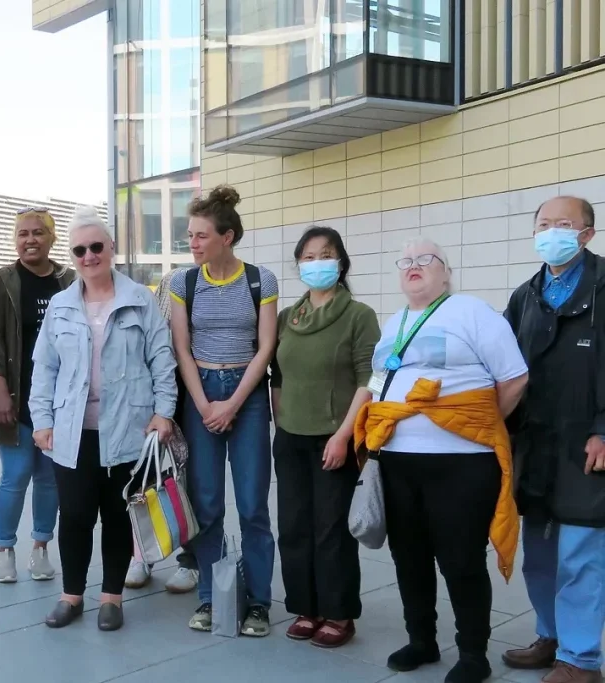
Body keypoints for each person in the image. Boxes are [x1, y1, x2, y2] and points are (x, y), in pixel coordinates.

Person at [354, 238, 527, 683]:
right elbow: (378, 381)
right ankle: (422, 640)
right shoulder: (393, 322)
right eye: (406, 260)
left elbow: (513, 379)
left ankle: (473, 653)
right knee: (408, 556)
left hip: (462, 462)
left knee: (461, 560)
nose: (414, 266)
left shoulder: (473, 312)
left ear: (446, 272)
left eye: (425, 260)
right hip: (396, 459)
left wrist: (470, 422)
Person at [29, 205, 177, 632]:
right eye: (80, 249)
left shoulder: (139, 300)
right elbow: (45, 368)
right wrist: (42, 419)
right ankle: (71, 595)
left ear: (111, 247)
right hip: (72, 431)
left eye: (96, 246)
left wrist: (163, 412)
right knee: (73, 515)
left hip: (127, 429)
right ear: (72, 256)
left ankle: (112, 597)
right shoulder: (60, 305)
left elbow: (161, 360)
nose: (89, 255)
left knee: (116, 516)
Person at [502, 195, 605, 683]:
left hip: (586, 443)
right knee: (539, 554)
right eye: (544, 223)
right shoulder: (525, 295)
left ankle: (581, 659)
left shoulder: (603, 285)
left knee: (581, 556)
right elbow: (501, 366)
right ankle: (551, 636)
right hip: (535, 444)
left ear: (587, 233)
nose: (552, 232)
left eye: (564, 224)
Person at [169, 185, 279, 636]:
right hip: (201, 392)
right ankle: (211, 599)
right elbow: (181, 348)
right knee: (207, 504)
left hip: (246, 395)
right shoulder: (183, 282)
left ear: (227, 236)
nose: (192, 243)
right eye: (190, 235)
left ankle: (258, 603)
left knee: (253, 505)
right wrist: (203, 404)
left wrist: (232, 403)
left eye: (200, 235)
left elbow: (267, 346)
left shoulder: (261, 280)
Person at [270, 226, 379, 648]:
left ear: (342, 262)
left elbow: (369, 378)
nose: (318, 263)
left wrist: (343, 435)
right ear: (299, 265)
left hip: (335, 438)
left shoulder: (358, 315)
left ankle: (338, 613)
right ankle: (305, 607)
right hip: (291, 437)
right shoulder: (287, 318)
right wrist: (281, 420)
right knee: (294, 526)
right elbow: (276, 374)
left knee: (330, 529)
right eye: (309, 256)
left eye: (326, 254)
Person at [0, 207, 74, 583]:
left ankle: (41, 548)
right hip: (15, 398)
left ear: (52, 238)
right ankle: (4, 549)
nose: (30, 240)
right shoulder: (2, 282)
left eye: (38, 233)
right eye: (22, 234)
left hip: (59, 401)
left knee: (49, 478)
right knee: (16, 475)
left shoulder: (68, 281)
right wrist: (1, 392)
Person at [125, 265, 200, 594]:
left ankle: (192, 559)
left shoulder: (227, 285)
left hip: (199, 393)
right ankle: (142, 552)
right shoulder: (173, 280)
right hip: (157, 395)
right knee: (146, 476)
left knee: (193, 481)